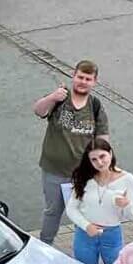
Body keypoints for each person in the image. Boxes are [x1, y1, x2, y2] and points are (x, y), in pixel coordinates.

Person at [33, 60, 110, 244]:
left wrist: (104, 169)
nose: (83, 82)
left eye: (88, 79)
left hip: (82, 174)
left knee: (83, 213)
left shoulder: (96, 106)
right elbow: (38, 110)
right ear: (73, 76)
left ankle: (83, 248)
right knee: (53, 211)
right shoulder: (60, 99)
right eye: (80, 77)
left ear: (94, 82)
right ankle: (46, 245)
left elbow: (103, 140)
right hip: (54, 170)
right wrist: (52, 97)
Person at [65, 139, 133, 264]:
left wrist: (126, 205)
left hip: (111, 234)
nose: (99, 162)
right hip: (85, 234)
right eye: (94, 159)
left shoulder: (127, 179)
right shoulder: (84, 177)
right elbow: (71, 208)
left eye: (102, 156)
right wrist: (87, 226)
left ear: (110, 153)